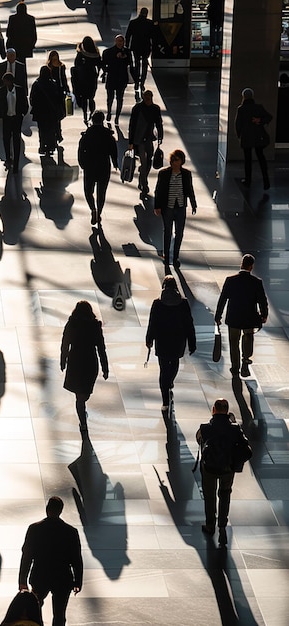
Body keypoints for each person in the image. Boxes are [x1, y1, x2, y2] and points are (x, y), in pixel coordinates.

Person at [19, 496, 83, 626]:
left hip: (40, 576)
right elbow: (76, 558)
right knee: (59, 615)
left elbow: (27, 556)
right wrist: (78, 581)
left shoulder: (34, 529)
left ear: (47, 509)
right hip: (62, 578)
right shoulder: (71, 532)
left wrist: (22, 580)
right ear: (60, 511)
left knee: (34, 610)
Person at [196, 398, 250, 544]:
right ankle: (222, 528)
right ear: (227, 411)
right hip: (227, 468)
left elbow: (198, 439)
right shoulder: (234, 428)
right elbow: (247, 449)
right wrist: (236, 463)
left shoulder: (206, 428)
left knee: (209, 495)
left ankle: (210, 525)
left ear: (213, 409)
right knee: (225, 495)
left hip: (209, 467)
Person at [145, 275, 196, 412]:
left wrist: (149, 339)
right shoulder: (183, 303)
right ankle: (170, 382)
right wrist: (192, 342)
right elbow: (189, 324)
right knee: (174, 363)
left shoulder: (157, 303)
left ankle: (165, 401)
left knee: (163, 369)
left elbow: (152, 323)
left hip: (162, 340)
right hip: (178, 340)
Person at [215, 253, 268, 377]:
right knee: (248, 338)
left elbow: (222, 299)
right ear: (251, 267)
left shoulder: (231, 280)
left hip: (234, 317)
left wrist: (218, 316)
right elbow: (262, 301)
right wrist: (264, 315)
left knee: (234, 343)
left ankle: (235, 367)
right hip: (249, 317)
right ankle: (245, 359)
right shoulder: (256, 282)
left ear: (241, 264)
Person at [60, 301, 108, 436]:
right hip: (90, 362)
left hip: (75, 362)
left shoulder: (72, 324)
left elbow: (65, 344)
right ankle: (83, 421)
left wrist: (63, 360)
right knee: (84, 394)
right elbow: (101, 348)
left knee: (80, 396)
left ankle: (82, 418)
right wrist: (105, 367)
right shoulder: (95, 326)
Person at [153, 149, 197, 273]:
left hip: (181, 207)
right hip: (168, 207)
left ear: (181, 161)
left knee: (179, 233)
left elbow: (189, 189)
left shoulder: (186, 174)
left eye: (177, 160)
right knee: (167, 232)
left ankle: (175, 257)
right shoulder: (164, 173)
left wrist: (193, 204)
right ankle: (167, 256)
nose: (175, 163)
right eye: (173, 160)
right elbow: (159, 190)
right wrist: (157, 206)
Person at [77, 111, 118, 225]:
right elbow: (113, 151)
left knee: (88, 190)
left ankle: (93, 209)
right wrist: (115, 163)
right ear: (102, 120)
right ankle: (99, 212)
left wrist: (82, 163)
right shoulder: (108, 135)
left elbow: (81, 150)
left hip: (90, 166)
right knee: (101, 191)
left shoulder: (87, 135)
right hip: (104, 166)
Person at [128, 89, 163, 198]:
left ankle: (142, 177)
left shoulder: (155, 109)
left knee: (148, 161)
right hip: (140, 140)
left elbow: (159, 123)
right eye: (146, 98)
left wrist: (160, 136)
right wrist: (131, 142)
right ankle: (144, 185)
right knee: (144, 163)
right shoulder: (137, 108)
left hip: (148, 138)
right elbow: (132, 125)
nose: (148, 100)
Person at [235, 87, 273, 189]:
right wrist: (260, 120)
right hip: (258, 136)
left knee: (248, 159)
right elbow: (269, 117)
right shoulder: (258, 107)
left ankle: (248, 180)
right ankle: (266, 180)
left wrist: (240, 136)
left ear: (243, 97)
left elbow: (238, 124)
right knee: (261, 157)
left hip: (247, 137)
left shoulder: (241, 109)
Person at [0, 72, 29, 173]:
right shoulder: (1, 91)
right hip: (7, 119)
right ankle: (8, 159)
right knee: (6, 140)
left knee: (16, 140)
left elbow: (24, 103)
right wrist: (0, 115)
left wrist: (22, 114)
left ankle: (16, 163)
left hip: (16, 118)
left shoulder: (19, 90)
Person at [30, 66, 65, 156]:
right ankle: (50, 146)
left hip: (40, 112)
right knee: (51, 130)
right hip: (51, 112)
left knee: (42, 130)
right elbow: (58, 98)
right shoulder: (53, 84)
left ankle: (42, 146)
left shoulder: (37, 84)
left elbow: (32, 99)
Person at [101, 34, 131, 125]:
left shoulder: (127, 52)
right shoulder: (108, 52)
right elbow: (104, 64)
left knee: (120, 98)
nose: (120, 43)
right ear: (115, 41)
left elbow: (130, 63)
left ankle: (117, 115)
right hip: (112, 77)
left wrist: (124, 58)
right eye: (118, 41)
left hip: (122, 78)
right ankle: (109, 111)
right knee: (110, 97)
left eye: (121, 41)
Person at [71, 36, 102, 124]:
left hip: (82, 78)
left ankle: (85, 114)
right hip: (92, 78)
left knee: (84, 99)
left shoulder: (80, 53)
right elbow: (100, 64)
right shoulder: (95, 53)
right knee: (91, 98)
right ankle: (91, 113)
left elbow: (76, 65)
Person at [125, 7, 154, 94]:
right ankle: (142, 83)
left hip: (135, 46)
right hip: (146, 47)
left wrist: (127, 46)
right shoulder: (149, 23)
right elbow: (153, 36)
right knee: (144, 65)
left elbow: (128, 35)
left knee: (137, 64)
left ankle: (136, 82)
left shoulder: (133, 23)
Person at [45, 50, 68, 143]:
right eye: (53, 59)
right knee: (56, 116)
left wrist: (66, 88)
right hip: (52, 93)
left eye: (56, 59)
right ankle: (58, 134)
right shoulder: (48, 68)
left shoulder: (61, 67)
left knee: (60, 114)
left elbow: (64, 78)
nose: (55, 61)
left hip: (60, 92)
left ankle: (58, 133)